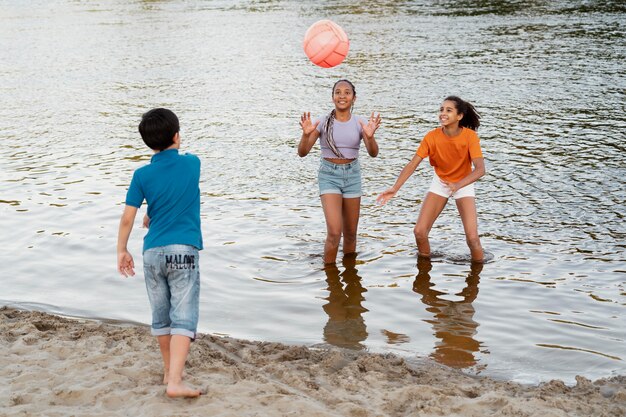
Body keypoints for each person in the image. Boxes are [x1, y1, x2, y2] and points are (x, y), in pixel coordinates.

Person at [117, 108, 203, 398]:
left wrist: (121, 250)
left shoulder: (141, 174)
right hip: (183, 251)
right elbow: (178, 177)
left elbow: (128, 217)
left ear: (147, 143)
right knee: (184, 317)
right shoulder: (193, 164)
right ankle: (175, 382)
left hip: (152, 253)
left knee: (162, 316)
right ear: (177, 135)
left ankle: (169, 371)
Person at [377, 96, 485, 262]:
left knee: (472, 239)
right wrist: (395, 188)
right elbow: (412, 164)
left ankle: (477, 274)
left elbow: (480, 170)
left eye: (449, 110)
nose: (443, 113)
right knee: (419, 232)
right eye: (441, 109)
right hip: (441, 181)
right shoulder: (431, 137)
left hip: (463, 182)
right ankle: (424, 270)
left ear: (459, 116)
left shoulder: (469, 137)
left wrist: (458, 185)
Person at [298, 79, 381, 264]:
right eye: (338, 92)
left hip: (352, 175)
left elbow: (373, 153)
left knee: (351, 234)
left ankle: (350, 274)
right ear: (332, 97)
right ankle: (331, 280)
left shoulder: (361, 122)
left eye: (347, 92)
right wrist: (305, 135)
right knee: (335, 232)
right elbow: (302, 153)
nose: (342, 96)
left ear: (354, 98)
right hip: (329, 175)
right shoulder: (322, 122)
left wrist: (369, 136)